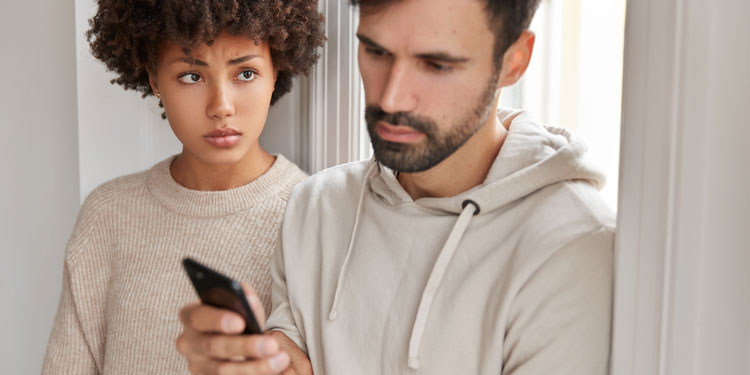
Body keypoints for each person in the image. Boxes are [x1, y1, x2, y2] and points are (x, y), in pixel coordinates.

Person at [178, 0, 615, 373]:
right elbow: (292, 347)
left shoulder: (574, 250)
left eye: (437, 64)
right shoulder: (316, 206)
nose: (391, 99)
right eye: (376, 50)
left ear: (513, 61)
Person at [41, 1, 325, 374]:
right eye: (192, 76)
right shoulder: (108, 215)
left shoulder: (316, 220)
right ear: (154, 79)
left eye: (245, 73)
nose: (221, 106)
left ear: (276, 72)